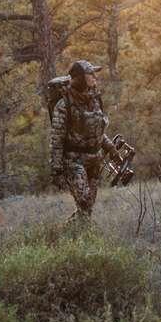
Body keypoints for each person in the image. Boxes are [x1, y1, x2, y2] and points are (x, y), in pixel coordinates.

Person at [49, 60, 121, 221]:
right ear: (80, 78)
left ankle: (72, 234)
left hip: (95, 160)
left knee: (87, 209)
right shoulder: (64, 105)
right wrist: (56, 169)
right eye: (90, 74)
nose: (94, 77)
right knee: (84, 202)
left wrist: (111, 149)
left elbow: (98, 132)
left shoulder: (94, 100)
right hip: (74, 161)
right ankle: (75, 234)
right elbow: (57, 139)